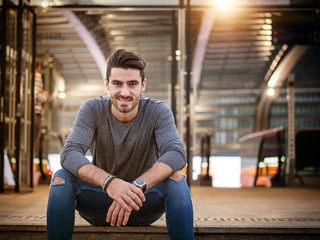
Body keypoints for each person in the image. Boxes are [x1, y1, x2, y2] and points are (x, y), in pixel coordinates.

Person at [46, 49, 194, 240]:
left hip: (143, 203)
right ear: (107, 84)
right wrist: (110, 183)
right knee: (61, 177)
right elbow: (70, 153)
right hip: (101, 205)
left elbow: (176, 153)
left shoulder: (158, 111)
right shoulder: (92, 109)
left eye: (132, 84)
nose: (125, 92)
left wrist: (137, 186)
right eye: (117, 83)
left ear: (143, 85)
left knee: (177, 177)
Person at [34, 58, 49, 185]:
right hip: (35, 112)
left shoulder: (26, 76)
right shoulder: (37, 76)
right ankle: (33, 174)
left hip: (29, 113)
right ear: (38, 67)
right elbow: (36, 95)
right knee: (35, 142)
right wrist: (44, 95)